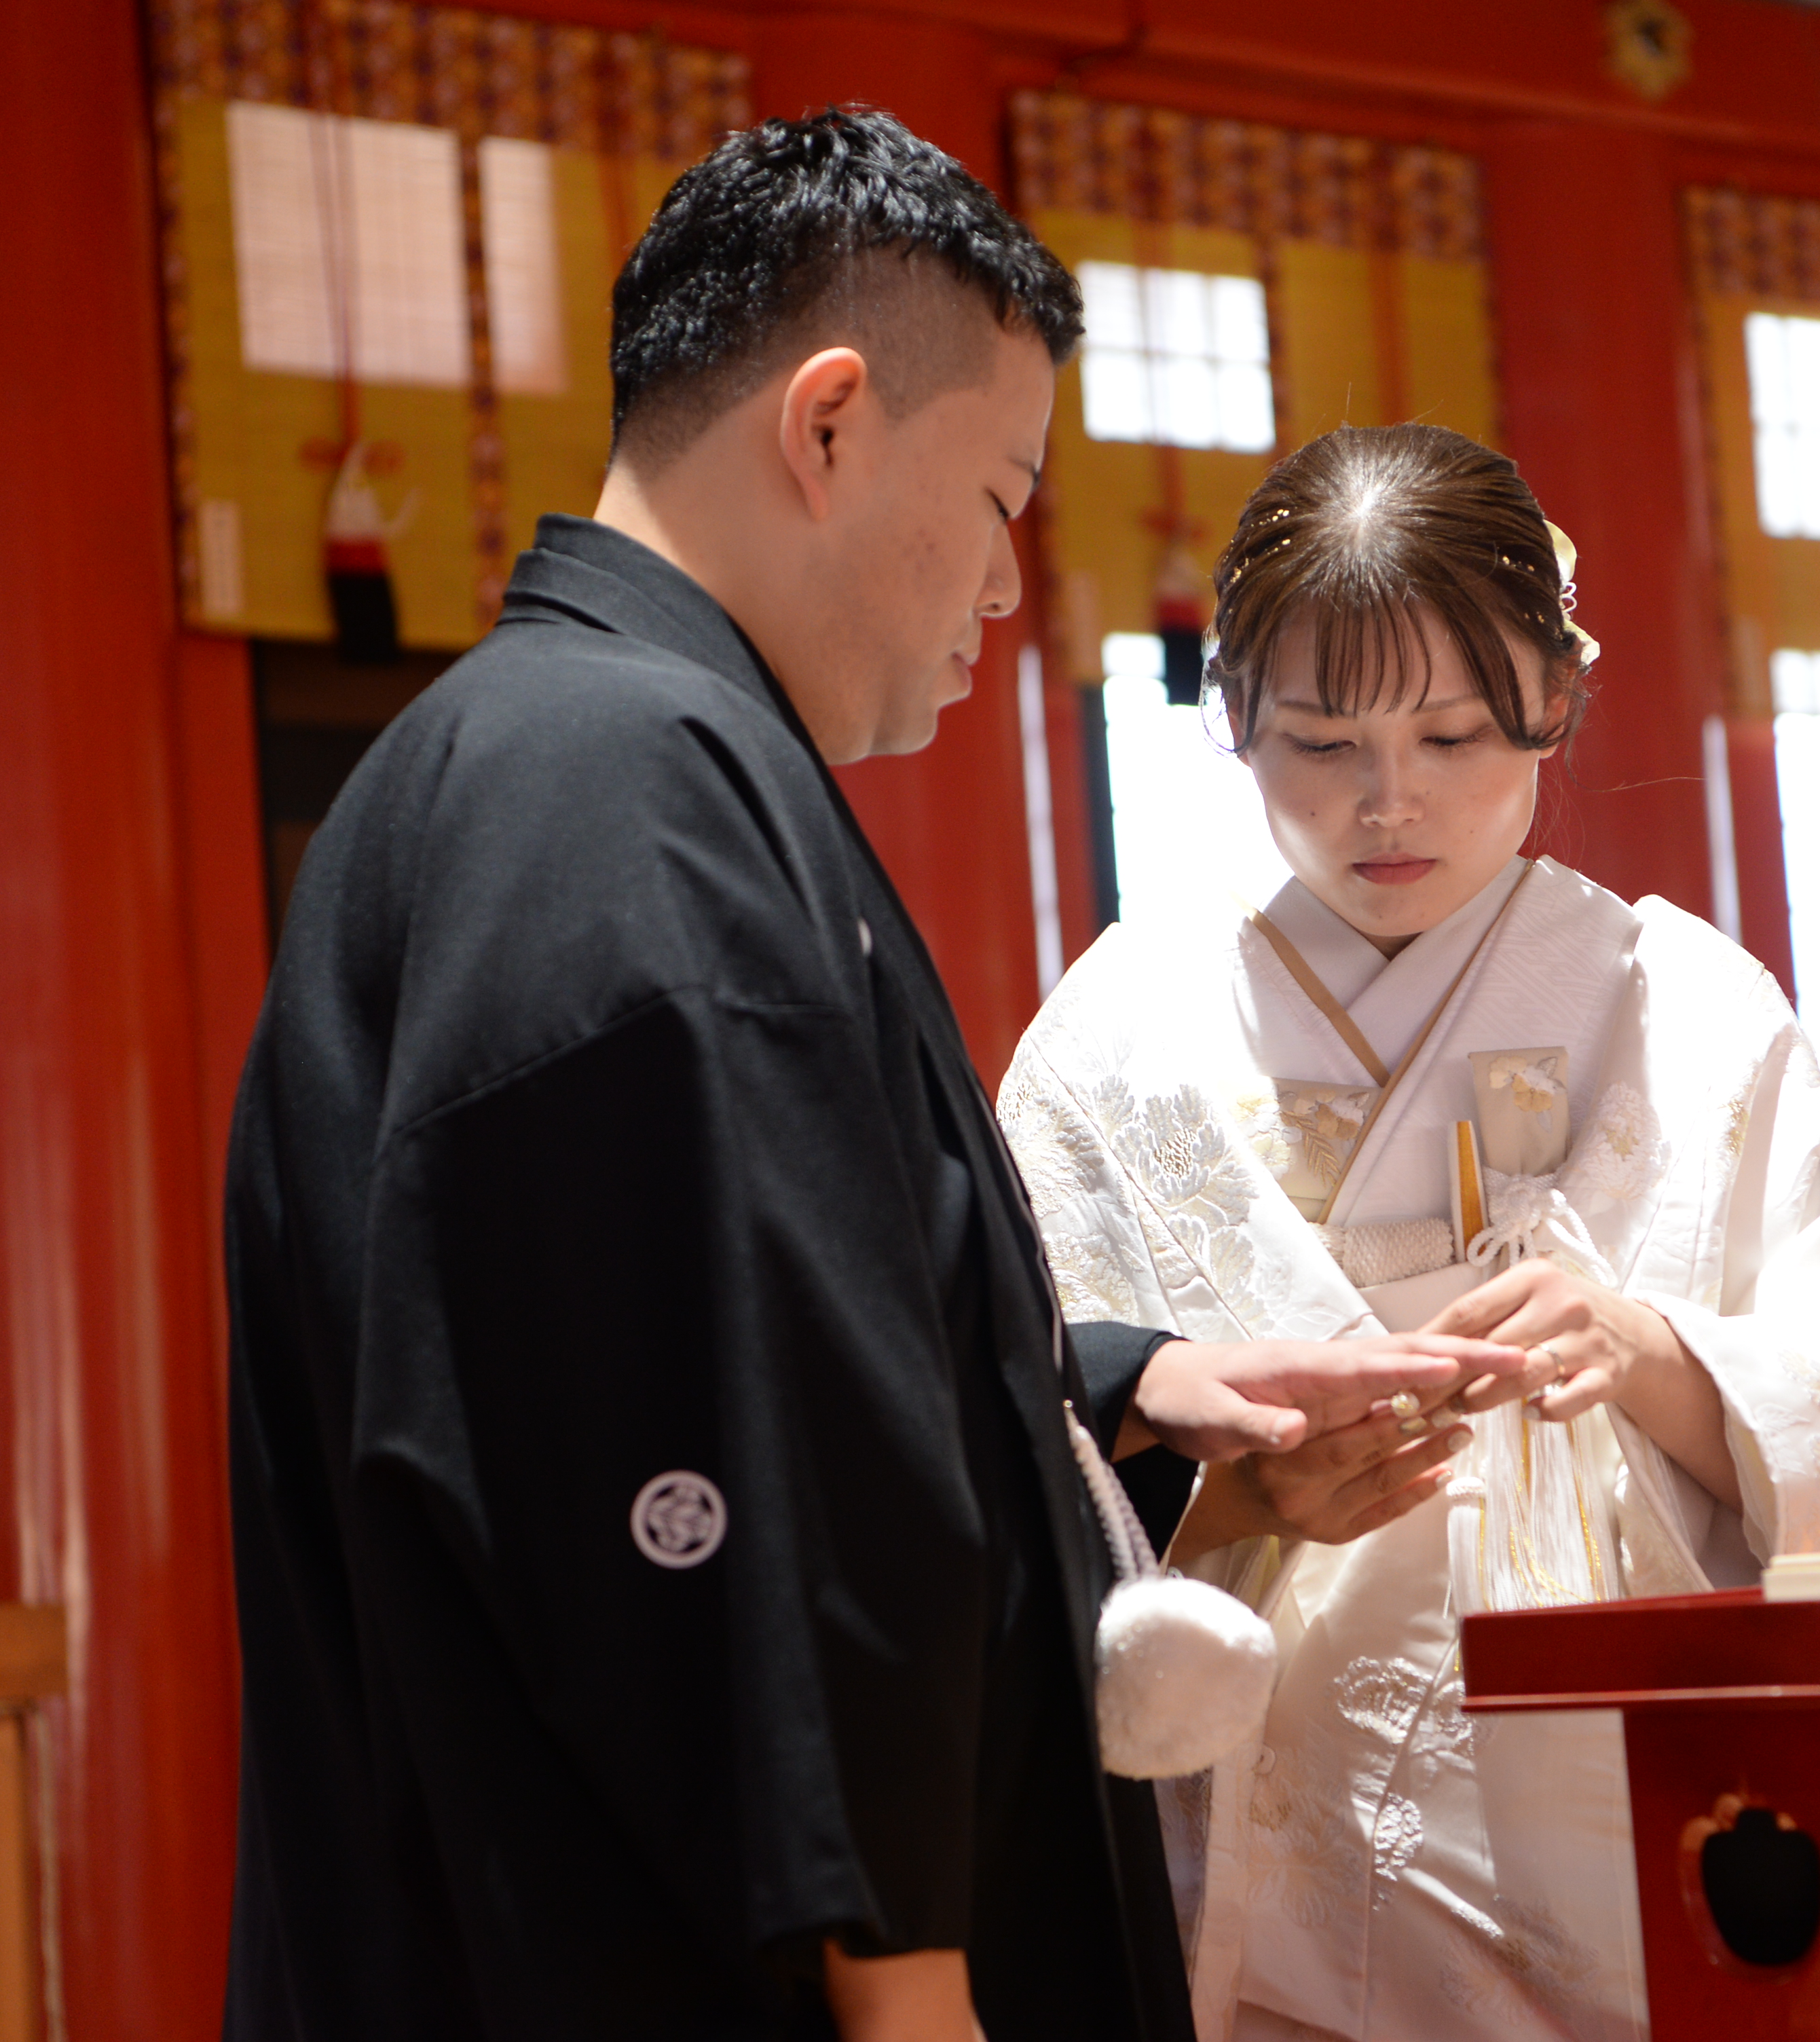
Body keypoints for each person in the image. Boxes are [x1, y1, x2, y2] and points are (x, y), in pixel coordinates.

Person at [221, 117, 1527, 2042]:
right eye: (1002, 491)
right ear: (827, 425)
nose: (1009, 585)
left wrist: (1138, 1399)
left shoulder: (566, 755)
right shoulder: (621, 787)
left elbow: (698, 1324)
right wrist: (907, 1993)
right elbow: (719, 1453)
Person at [999, 424, 1820, 2041]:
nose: (1393, 801)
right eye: (1320, 740)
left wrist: (1659, 1357)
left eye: (1452, 733)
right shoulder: (1116, 1037)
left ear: (1556, 697)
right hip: (1244, 1838)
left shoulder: (1689, 1009)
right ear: (1231, 718)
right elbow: (1017, 1429)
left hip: (1608, 1834)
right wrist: (1232, 1478)